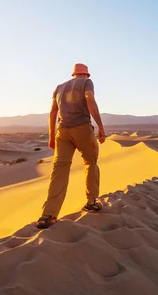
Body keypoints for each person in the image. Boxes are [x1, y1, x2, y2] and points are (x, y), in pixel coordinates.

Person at [36, 63, 106, 229]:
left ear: (74, 74)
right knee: (91, 163)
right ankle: (91, 202)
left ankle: (49, 214)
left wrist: (52, 136)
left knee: (59, 169)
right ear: (86, 75)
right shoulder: (87, 84)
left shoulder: (59, 87)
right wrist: (101, 126)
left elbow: (53, 112)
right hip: (82, 128)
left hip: (62, 131)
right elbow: (90, 100)